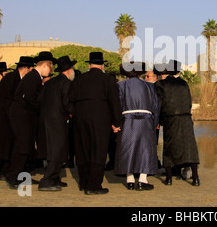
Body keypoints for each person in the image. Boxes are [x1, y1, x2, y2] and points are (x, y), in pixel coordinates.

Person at [70, 52, 122, 195]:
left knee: (82, 150)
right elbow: (114, 103)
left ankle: (84, 182)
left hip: (80, 118)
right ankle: (94, 186)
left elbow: (70, 101)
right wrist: (116, 122)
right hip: (101, 118)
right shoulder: (108, 80)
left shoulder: (78, 80)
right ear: (103, 65)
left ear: (89, 65)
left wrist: (74, 114)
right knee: (98, 151)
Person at [4, 51, 56, 189]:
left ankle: (21, 174)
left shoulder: (34, 77)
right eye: (50, 68)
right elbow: (29, 98)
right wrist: (43, 108)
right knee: (23, 145)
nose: (50, 71)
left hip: (25, 116)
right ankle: (12, 175)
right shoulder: (33, 77)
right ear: (45, 65)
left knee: (25, 146)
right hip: (22, 116)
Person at [114, 62, 159, 191]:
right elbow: (155, 106)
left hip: (127, 120)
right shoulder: (149, 86)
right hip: (146, 120)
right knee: (145, 149)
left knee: (127, 148)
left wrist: (116, 122)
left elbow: (118, 105)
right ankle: (143, 180)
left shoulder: (120, 85)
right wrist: (155, 122)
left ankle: (130, 180)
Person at [155, 59, 200, 186]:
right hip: (185, 118)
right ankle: (195, 178)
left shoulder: (160, 84)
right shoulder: (184, 83)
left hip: (170, 118)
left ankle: (169, 179)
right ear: (178, 70)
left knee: (169, 147)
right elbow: (189, 103)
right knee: (190, 148)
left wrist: (158, 120)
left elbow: (159, 105)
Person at [38, 56, 76, 192]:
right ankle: (47, 180)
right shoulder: (66, 83)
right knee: (57, 150)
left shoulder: (50, 83)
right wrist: (74, 113)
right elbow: (66, 103)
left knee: (53, 149)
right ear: (68, 70)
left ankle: (55, 177)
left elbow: (41, 99)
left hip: (46, 120)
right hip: (58, 121)